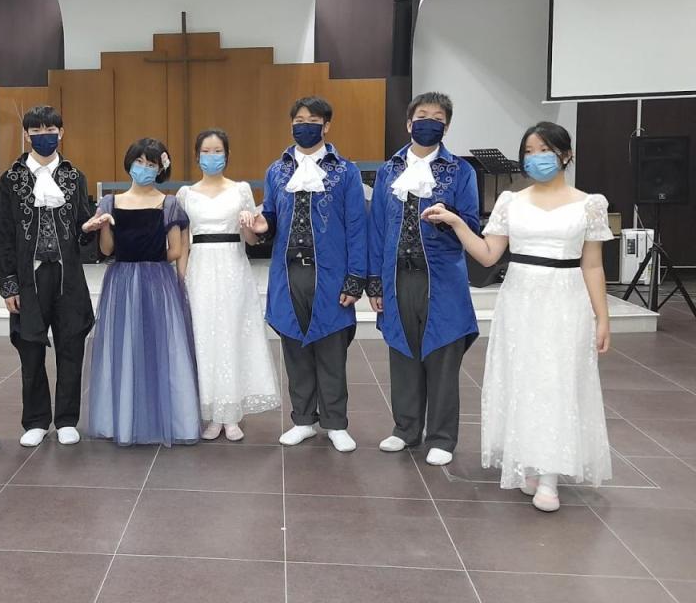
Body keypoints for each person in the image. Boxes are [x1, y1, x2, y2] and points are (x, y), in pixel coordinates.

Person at [423, 122, 613, 513]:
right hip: (520, 299)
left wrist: (603, 317)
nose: (535, 158)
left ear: (565, 155)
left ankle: (550, 476)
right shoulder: (511, 201)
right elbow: (488, 255)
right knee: (523, 379)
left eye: (544, 150)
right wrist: (456, 222)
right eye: (529, 151)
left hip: (565, 299)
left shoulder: (590, 204)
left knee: (557, 381)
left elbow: (593, 266)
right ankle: (528, 460)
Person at [243, 97, 367, 453]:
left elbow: (357, 226)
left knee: (331, 350)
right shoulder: (276, 170)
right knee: (295, 348)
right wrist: (261, 224)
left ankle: (336, 423)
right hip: (289, 272)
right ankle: (303, 420)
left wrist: (356, 277)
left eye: (312, 120)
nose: (304, 125)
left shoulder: (346, 171)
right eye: (298, 120)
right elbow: (271, 215)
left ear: (326, 126)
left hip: (331, 274)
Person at [367, 93, 479, 467]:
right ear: (409, 123)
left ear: (446, 126)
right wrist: (375, 282)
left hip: (442, 278)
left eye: (437, 117)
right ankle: (406, 429)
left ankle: (442, 437)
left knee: (443, 354)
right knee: (402, 351)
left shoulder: (461, 171)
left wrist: (448, 218)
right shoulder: (388, 171)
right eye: (422, 115)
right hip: (397, 275)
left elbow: (471, 224)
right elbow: (377, 228)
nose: (429, 121)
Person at [85, 138, 201, 446]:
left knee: (160, 348)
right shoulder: (110, 202)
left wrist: (147, 254)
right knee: (125, 348)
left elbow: (176, 249)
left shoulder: (169, 203)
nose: (144, 168)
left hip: (156, 280)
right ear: (129, 163)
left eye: (151, 164)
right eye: (140, 162)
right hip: (121, 281)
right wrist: (105, 225)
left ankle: (166, 418)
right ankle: (124, 419)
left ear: (161, 169)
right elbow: (106, 249)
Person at [0, 105, 95, 447]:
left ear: (61, 133)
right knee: (30, 348)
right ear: (26, 135)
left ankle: (66, 419)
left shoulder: (74, 176)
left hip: (68, 277)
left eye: (50, 130)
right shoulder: (11, 179)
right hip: (29, 277)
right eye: (36, 131)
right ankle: (36, 420)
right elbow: (5, 235)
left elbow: (82, 228)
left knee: (71, 345)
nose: (44, 136)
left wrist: (91, 229)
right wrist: (9, 284)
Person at [176, 129, 280, 442]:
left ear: (227, 155)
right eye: (206, 151)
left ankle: (232, 414)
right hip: (200, 268)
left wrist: (250, 226)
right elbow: (183, 241)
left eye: (217, 151)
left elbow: (251, 239)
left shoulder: (241, 190)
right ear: (197, 156)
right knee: (204, 337)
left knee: (232, 334)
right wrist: (182, 277)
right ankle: (211, 413)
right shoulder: (185, 194)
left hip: (233, 266)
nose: (212, 156)